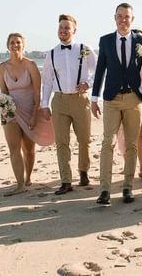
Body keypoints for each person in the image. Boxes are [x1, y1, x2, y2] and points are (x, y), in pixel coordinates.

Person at [91, 3, 142, 206]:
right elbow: (100, 71)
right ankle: (104, 191)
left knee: (131, 143)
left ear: (132, 19)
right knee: (107, 142)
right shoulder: (106, 41)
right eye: (119, 16)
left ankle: (128, 188)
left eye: (127, 16)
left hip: (133, 99)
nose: (123, 19)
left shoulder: (141, 41)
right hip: (111, 99)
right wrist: (94, 98)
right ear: (114, 18)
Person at [40, 14, 97, 195]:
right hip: (60, 101)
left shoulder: (84, 49)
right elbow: (47, 81)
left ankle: (83, 172)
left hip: (81, 101)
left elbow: (99, 71)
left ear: (74, 30)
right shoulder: (52, 53)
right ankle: (65, 181)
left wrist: (88, 83)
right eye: (61, 28)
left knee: (84, 140)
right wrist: (44, 104)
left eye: (67, 28)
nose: (63, 31)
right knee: (62, 142)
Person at [0, 32, 54, 196]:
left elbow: (37, 93)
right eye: (12, 42)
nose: (15, 45)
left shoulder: (31, 65)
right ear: (8, 45)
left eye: (18, 42)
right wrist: (3, 110)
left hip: (29, 111)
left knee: (28, 150)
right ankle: (20, 184)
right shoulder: (2, 67)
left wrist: (35, 115)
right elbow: (3, 92)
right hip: (10, 112)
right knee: (14, 148)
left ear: (23, 45)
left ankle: (28, 178)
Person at [116, 29, 142, 179]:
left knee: (141, 135)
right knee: (123, 135)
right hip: (121, 98)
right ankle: (128, 165)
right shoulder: (121, 55)